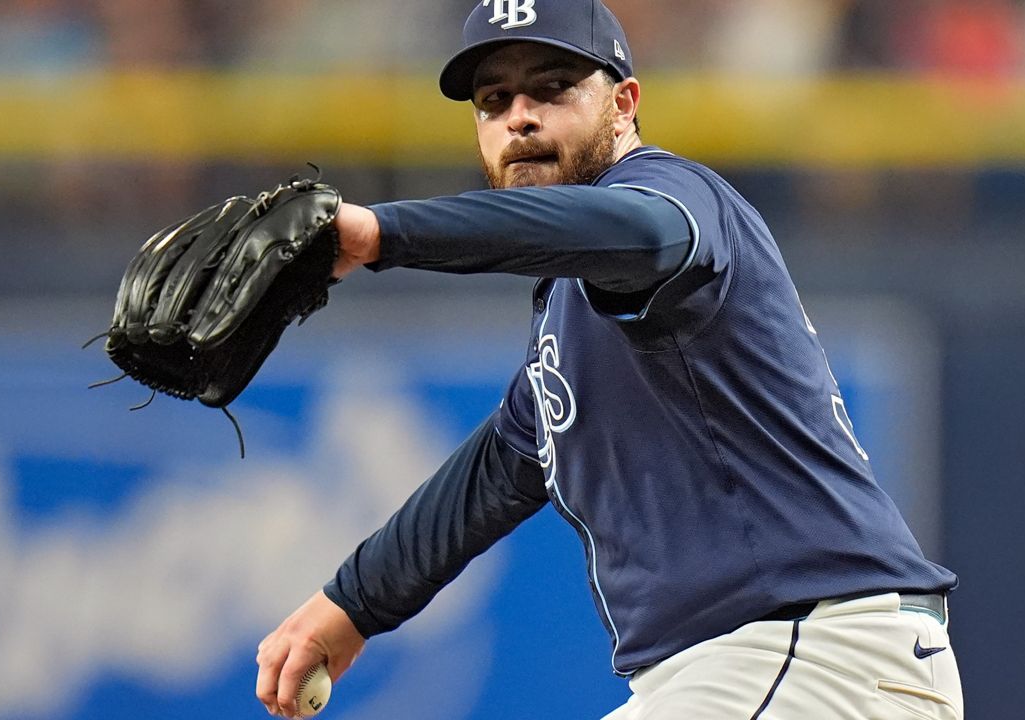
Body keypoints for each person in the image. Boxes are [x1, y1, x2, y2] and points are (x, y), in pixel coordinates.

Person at [255, 1, 964, 717]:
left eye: (552, 88)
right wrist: (347, 606)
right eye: (494, 100)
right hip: (756, 669)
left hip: (813, 654)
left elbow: (642, 234)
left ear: (623, 105)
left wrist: (380, 232)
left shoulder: (671, 193)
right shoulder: (571, 303)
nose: (520, 117)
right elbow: (497, 469)